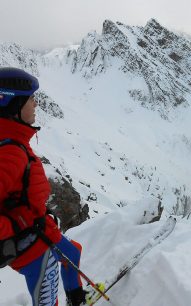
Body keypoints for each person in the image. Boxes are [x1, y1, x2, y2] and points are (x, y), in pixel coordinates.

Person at [0, 67, 95, 306]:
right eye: (31, 98)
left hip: (40, 229)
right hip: (32, 247)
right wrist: (16, 224)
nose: (36, 104)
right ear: (13, 104)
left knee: (72, 252)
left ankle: (75, 299)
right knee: (46, 301)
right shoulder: (10, 153)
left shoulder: (14, 140)